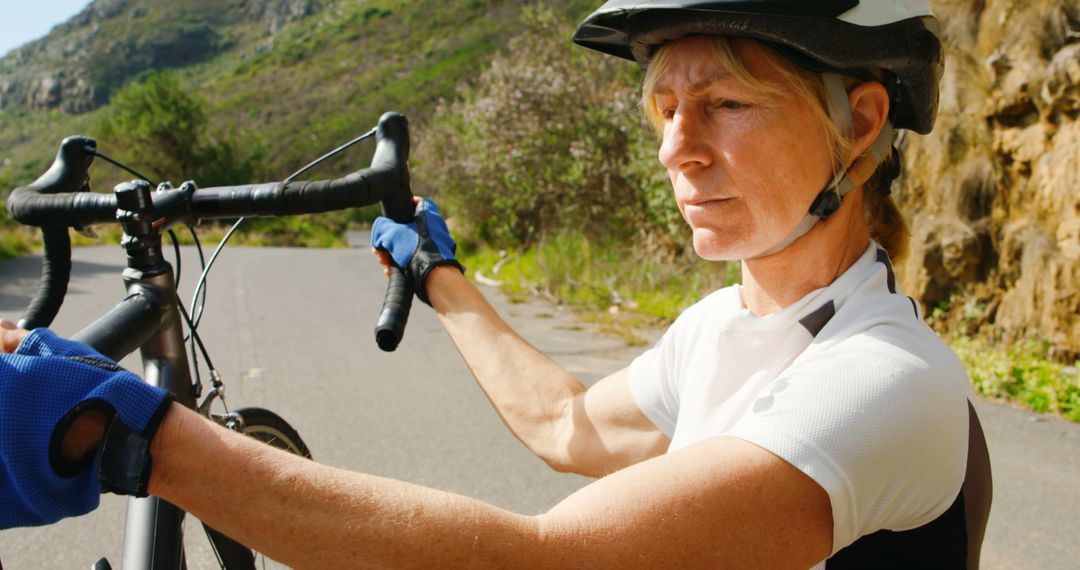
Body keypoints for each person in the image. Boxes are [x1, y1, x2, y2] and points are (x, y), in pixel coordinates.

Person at [0, 0, 991, 567]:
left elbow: (543, 565)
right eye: (662, 111)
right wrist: (441, 276)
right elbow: (572, 427)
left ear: (860, 124)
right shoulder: (728, 326)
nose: (676, 153)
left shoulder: (889, 379)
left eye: (726, 103)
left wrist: (132, 434)